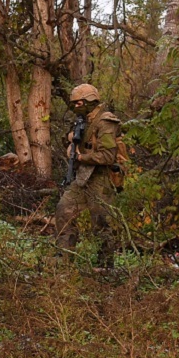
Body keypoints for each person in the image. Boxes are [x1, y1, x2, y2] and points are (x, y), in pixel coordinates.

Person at [55, 83, 121, 256]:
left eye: (79, 103)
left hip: (102, 178)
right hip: (83, 176)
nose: (76, 107)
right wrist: (71, 140)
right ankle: (64, 260)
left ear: (90, 101)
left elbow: (107, 156)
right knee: (64, 210)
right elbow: (70, 140)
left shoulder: (105, 121)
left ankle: (105, 268)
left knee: (101, 223)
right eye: (74, 104)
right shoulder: (83, 120)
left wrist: (80, 157)